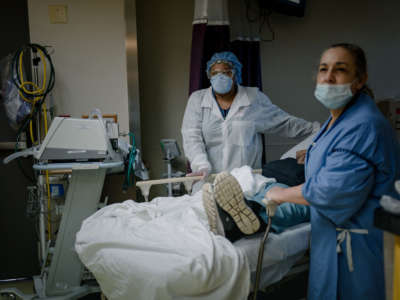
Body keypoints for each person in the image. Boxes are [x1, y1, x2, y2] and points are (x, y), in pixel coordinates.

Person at [203, 43, 400, 299]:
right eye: (323, 69)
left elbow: (329, 191)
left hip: (358, 251)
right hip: (331, 236)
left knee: (276, 191)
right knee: (276, 188)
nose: (328, 77)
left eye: (340, 70)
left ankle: (247, 217)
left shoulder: (362, 125)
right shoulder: (340, 120)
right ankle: (243, 213)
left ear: (360, 79)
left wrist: (277, 195)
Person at [181, 51, 317, 179]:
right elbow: (191, 136)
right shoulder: (197, 100)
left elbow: (285, 123)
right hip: (208, 179)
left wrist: (319, 131)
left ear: (236, 74)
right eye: (215, 73)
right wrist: (201, 165)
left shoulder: (253, 98)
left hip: (245, 181)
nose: (220, 77)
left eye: (226, 72)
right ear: (209, 76)